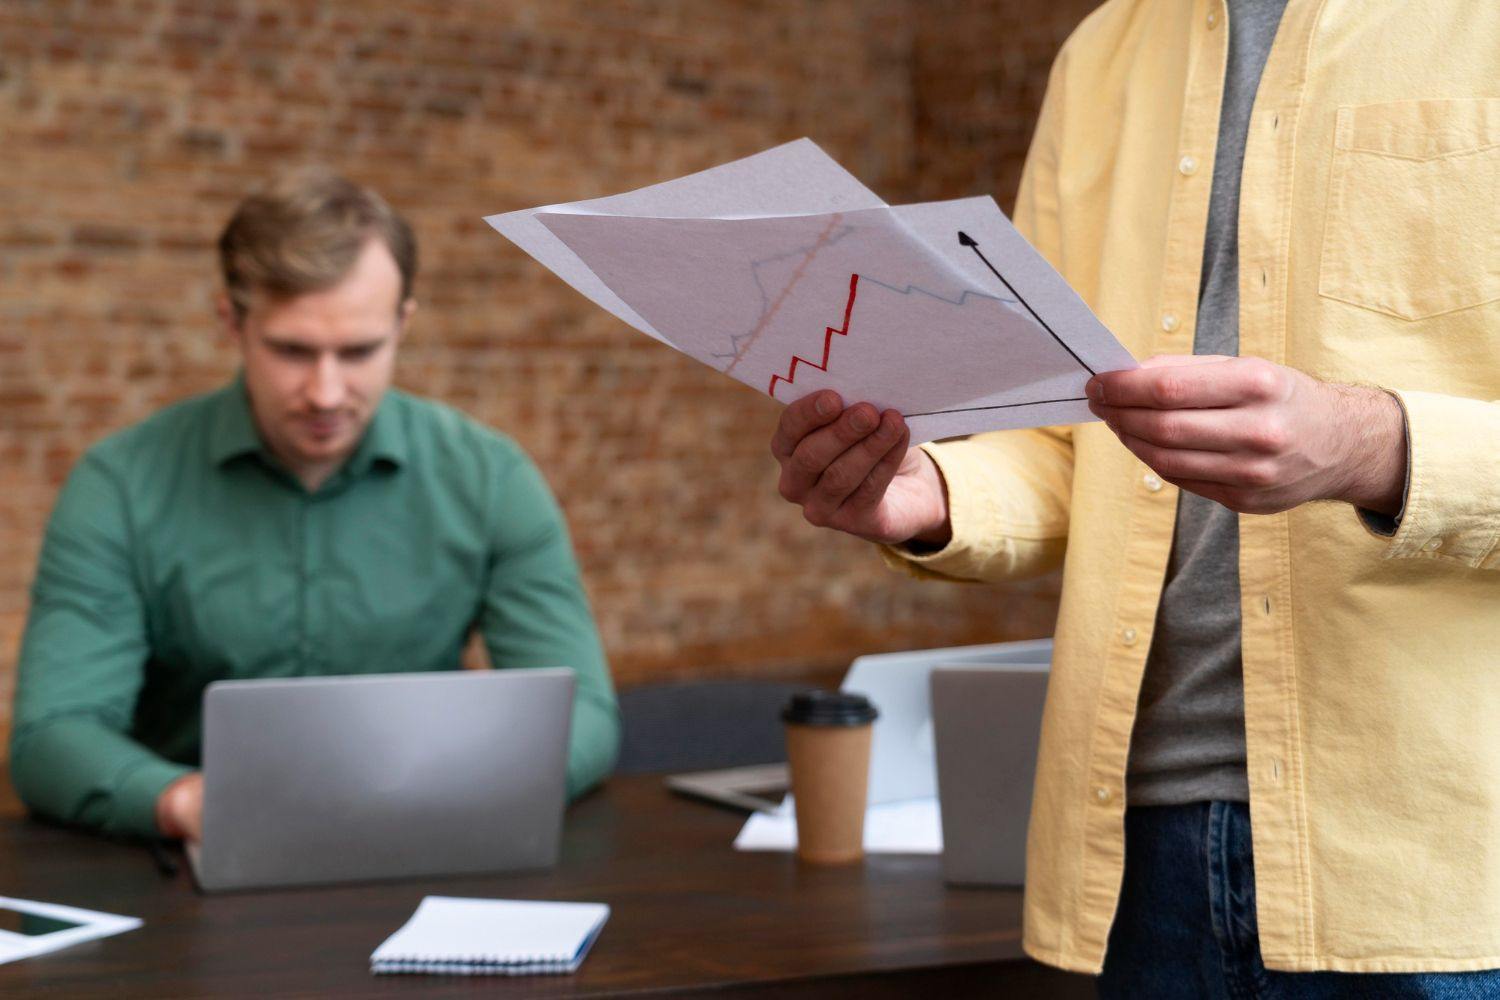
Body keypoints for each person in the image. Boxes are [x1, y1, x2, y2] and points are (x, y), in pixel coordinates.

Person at [771, 0, 1500, 995]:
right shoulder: (1103, 52)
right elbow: (1067, 448)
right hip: (1139, 856)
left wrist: (1372, 444)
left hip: (1446, 868)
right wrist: (930, 489)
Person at [10, 169, 620, 844]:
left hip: (428, 843)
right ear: (231, 322)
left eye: (359, 351)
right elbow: (53, 736)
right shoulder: (120, 485)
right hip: (187, 868)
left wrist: (463, 796)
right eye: (292, 351)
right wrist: (184, 803)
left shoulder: (490, 478)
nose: (326, 392)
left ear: (403, 324)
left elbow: (584, 712)